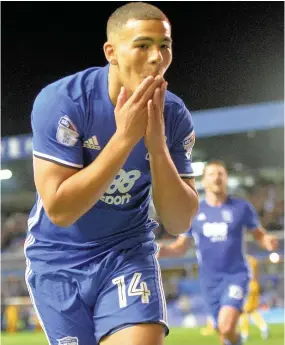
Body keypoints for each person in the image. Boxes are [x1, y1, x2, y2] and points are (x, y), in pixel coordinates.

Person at [24, 2, 199, 345]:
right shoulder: (64, 102)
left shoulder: (175, 115)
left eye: (165, 46)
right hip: (58, 259)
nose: (156, 57)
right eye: (143, 45)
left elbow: (178, 222)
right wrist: (124, 139)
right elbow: (60, 209)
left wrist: (157, 145)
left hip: (126, 252)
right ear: (112, 52)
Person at [158, 160, 278, 345]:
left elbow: (258, 234)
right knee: (222, 332)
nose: (217, 178)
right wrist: (162, 250)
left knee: (226, 326)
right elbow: (181, 247)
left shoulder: (240, 207)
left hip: (236, 276)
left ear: (226, 179)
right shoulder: (195, 212)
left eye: (221, 174)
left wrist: (267, 241)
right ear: (204, 181)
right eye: (212, 174)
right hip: (209, 281)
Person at [239, 255, 269, 342]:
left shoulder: (241, 260)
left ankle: (245, 334)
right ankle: (263, 327)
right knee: (252, 310)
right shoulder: (253, 259)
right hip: (255, 285)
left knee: (244, 311)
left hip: (247, 286)